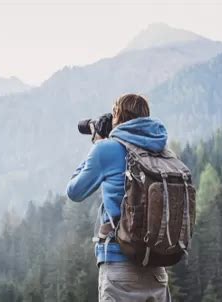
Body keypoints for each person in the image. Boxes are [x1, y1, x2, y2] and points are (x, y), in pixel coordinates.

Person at [66, 94, 171, 302]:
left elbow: (74, 191)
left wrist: (97, 144)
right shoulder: (162, 151)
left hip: (119, 266)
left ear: (116, 115)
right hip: (157, 270)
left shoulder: (107, 149)